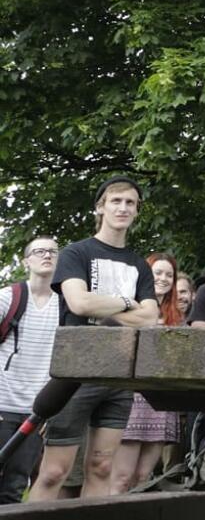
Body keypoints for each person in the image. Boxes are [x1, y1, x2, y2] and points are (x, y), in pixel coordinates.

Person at [29, 177, 158, 501]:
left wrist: (110, 309)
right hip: (76, 372)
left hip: (118, 375)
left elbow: (151, 318)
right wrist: (129, 304)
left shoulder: (139, 265)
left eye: (130, 203)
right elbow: (79, 303)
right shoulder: (76, 253)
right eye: (116, 201)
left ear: (137, 211)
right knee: (55, 471)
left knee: (102, 467)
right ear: (100, 206)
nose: (123, 208)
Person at [112, 253, 183, 493]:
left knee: (144, 479)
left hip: (161, 401)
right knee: (121, 478)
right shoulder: (128, 307)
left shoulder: (176, 317)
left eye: (169, 275)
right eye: (158, 273)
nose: (163, 279)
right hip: (130, 398)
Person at [0, 238, 60, 503]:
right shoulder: (8, 296)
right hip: (1, 403)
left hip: (35, 412)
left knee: (15, 486)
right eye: (39, 251)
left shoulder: (66, 305)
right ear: (26, 261)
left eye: (52, 252)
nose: (46, 255)